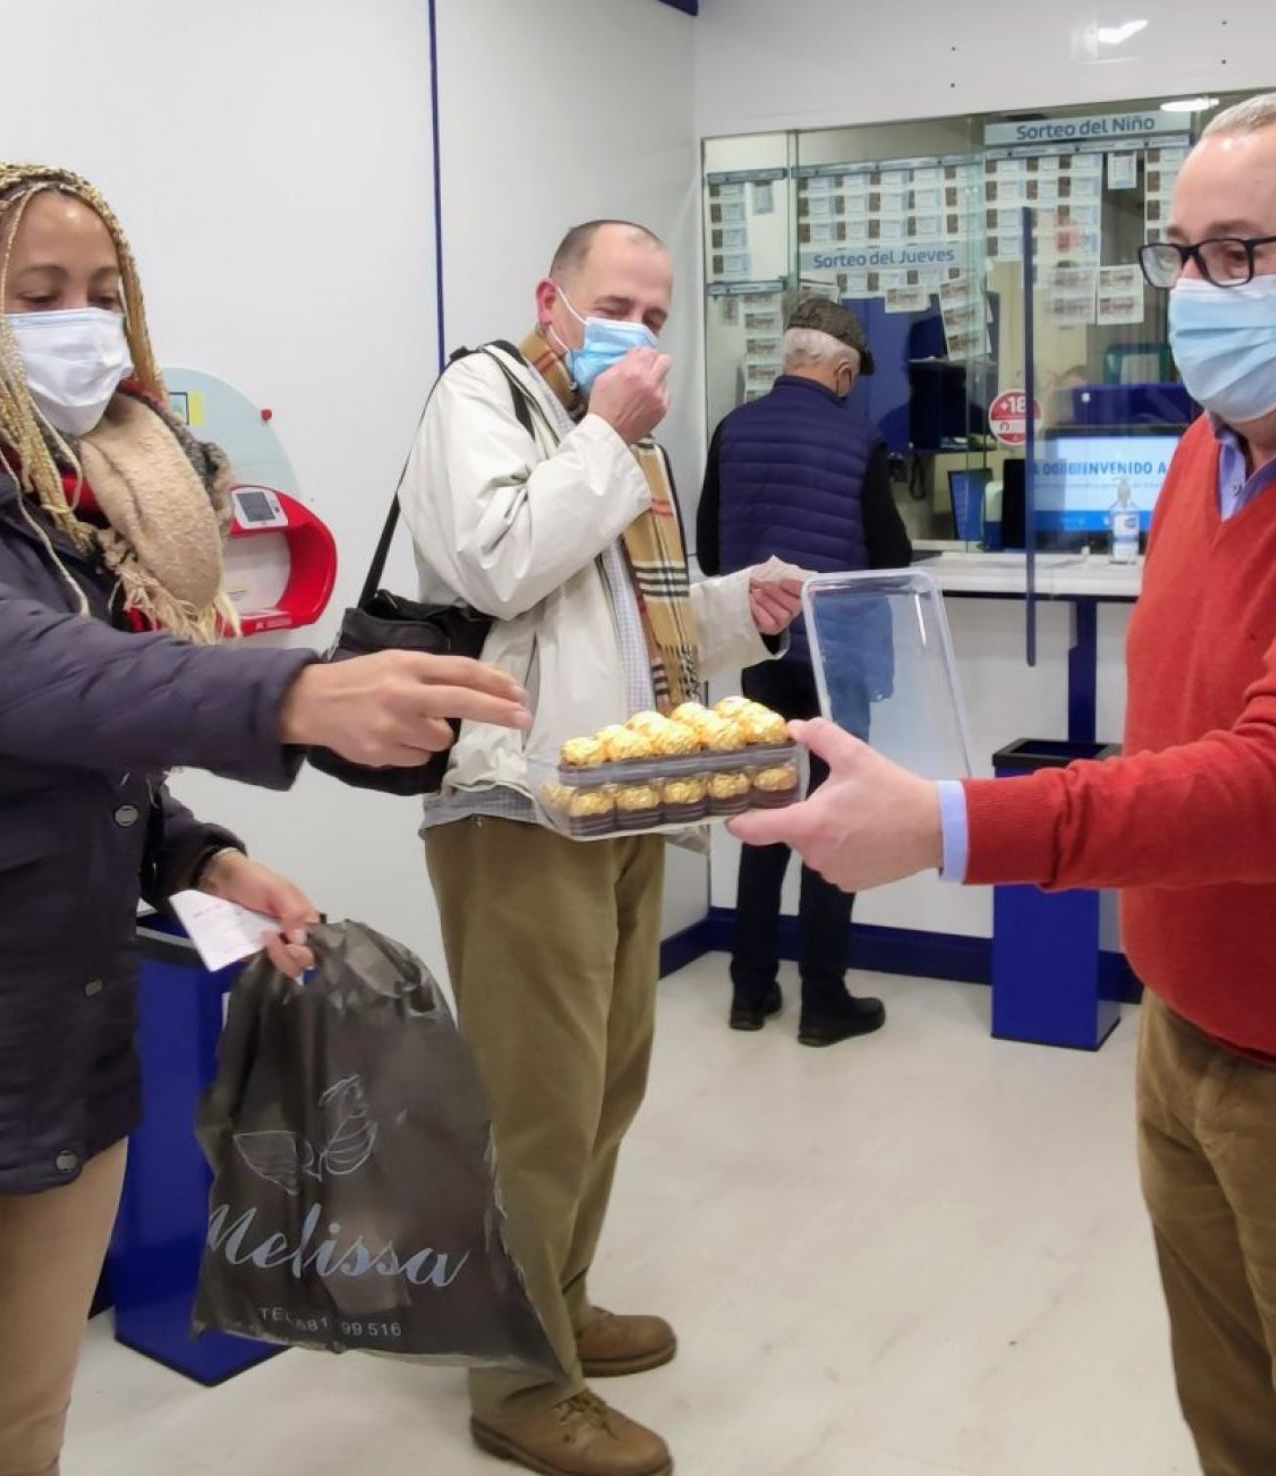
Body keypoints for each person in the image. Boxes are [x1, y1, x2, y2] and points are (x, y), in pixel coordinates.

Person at [0, 163, 529, 1476]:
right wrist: (292, 692)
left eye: (101, 294)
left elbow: (60, 751)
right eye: (37, 295)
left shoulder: (55, 487)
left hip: (61, 1052)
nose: (80, 323)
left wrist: (200, 858)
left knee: (20, 1439)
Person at [731, 91, 1276, 1476]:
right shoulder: (1206, 452)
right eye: (1178, 253)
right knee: (1234, 1430)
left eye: (1239, 253)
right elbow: (1182, 735)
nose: (1192, 294)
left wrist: (951, 824)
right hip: (1184, 1041)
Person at [400, 219, 801, 1476]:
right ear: (553, 300)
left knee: (607, 1087)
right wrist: (608, 433)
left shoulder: (625, 441)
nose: (641, 329)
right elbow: (499, 560)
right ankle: (519, 1382)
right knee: (539, 1102)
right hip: (518, 804)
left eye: (658, 311)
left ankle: (560, 1304)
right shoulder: (485, 394)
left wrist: (744, 609)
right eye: (616, 302)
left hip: (627, 796)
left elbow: (638, 620)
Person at [696, 299, 912, 1042]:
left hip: (763, 653)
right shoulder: (859, 437)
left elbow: (709, 553)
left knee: (769, 811)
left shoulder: (732, 430)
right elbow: (890, 558)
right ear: (842, 370)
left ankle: (749, 993)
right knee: (836, 815)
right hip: (838, 651)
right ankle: (824, 1000)